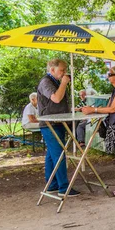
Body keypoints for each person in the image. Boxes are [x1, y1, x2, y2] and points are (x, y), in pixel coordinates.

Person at [82, 66, 115, 196]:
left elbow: (112, 109)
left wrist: (93, 110)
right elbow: (109, 108)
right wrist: (92, 109)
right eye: (108, 74)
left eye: (111, 74)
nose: (108, 76)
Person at [37, 59, 79, 197]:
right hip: (50, 124)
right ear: (52, 70)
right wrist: (64, 83)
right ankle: (63, 187)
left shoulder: (54, 81)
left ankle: (52, 184)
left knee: (51, 155)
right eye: (61, 70)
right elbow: (56, 98)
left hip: (57, 122)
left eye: (64, 70)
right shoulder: (46, 82)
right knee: (59, 154)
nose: (64, 73)